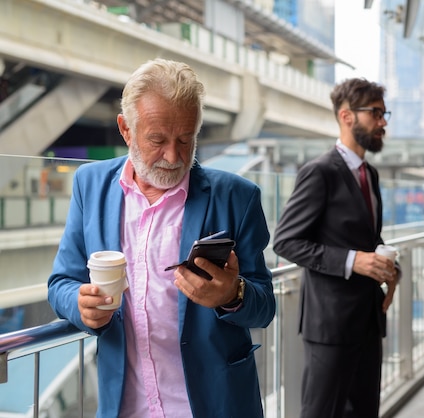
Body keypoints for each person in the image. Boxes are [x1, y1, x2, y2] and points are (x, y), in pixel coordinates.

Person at [47, 58, 275, 418]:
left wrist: (233, 294)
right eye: (158, 140)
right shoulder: (89, 185)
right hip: (126, 406)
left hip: (216, 404)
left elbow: (265, 305)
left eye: (186, 139)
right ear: (125, 129)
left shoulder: (238, 197)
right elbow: (61, 281)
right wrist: (79, 305)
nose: (173, 156)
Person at [272, 77, 399, 418]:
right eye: (376, 113)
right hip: (329, 326)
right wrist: (353, 261)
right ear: (346, 116)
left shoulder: (369, 174)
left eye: (385, 113)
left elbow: (367, 240)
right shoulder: (319, 172)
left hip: (369, 321)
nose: (383, 121)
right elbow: (285, 241)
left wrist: (390, 270)